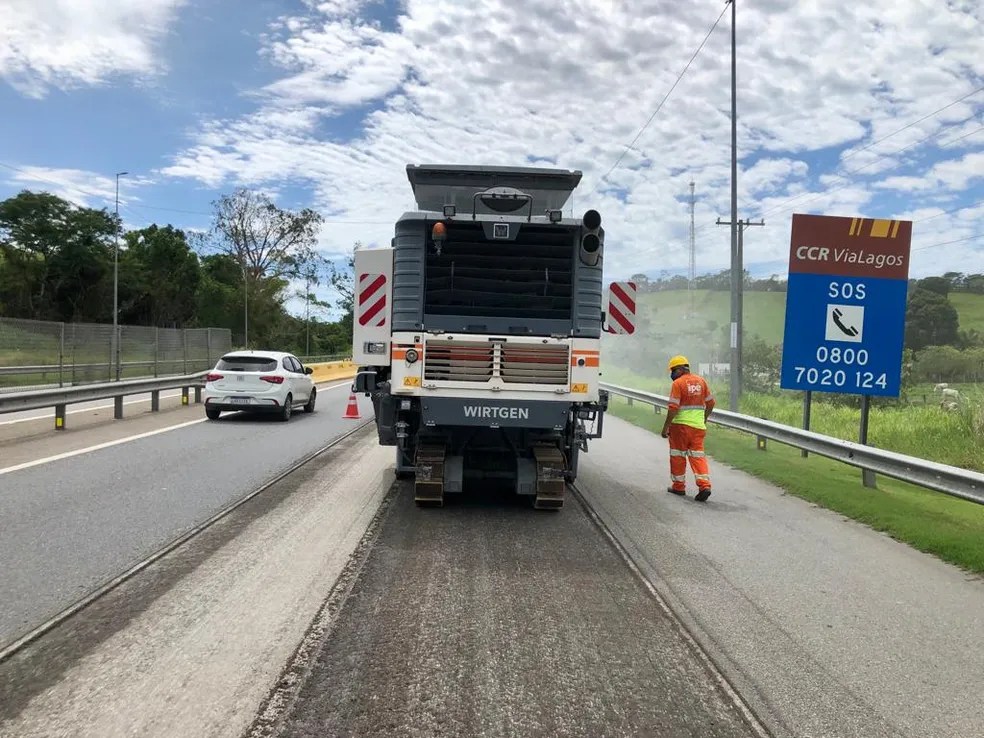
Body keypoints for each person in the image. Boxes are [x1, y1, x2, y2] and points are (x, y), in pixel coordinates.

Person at [660, 355, 715, 501]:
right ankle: (705, 485)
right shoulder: (701, 381)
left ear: (679, 369)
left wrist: (666, 427)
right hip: (698, 427)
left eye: (672, 370)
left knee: (678, 456)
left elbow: (673, 408)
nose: (671, 374)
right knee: (698, 456)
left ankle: (679, 487)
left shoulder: (678, 383)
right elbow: (711, 403)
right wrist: (704, 418)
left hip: (680, 427)